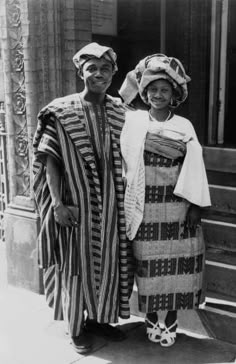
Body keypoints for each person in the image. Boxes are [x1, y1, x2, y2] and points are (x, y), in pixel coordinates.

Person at [33, 42, 133, 354]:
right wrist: (58, 204)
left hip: (113, 207)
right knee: (76, 268)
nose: (99, 74)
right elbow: (50, 160)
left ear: (113, 73)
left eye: (105, 69)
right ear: (81, 72)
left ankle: (101, 320)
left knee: (109, 264)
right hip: (76, 206)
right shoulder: (61, 111)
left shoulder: (121, 112)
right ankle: (76, 327)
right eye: (92, 68)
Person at [120, 54, 211, 347]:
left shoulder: (184, 125)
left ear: (174, 95)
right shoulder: (133, 122)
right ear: (144, 93)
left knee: (175, 264)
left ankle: (170, 318)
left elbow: (195, 167)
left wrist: (195, 206)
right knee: (148, 263)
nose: (158, 95)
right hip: (143, 205)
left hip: (177, 203)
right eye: (152, 90)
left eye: (165, 90)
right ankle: (150, 317)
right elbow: (125, 162)